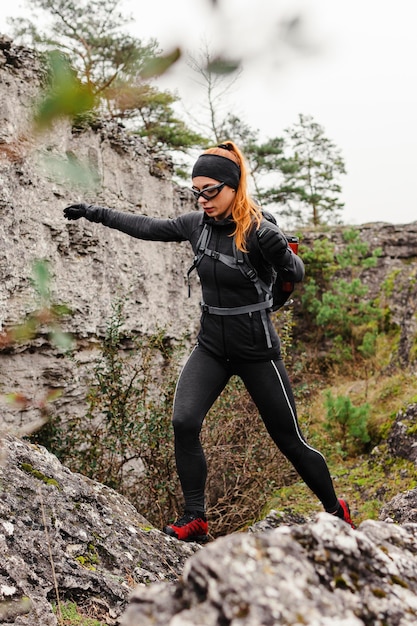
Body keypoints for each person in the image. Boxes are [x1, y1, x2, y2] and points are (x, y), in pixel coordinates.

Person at [63, 140, 356, 541]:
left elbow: (297, 271)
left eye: (211, 190)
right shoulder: (195, 226)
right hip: (212, 347)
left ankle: (336, 512)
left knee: (289, 440)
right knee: (184, 422)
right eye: (196, 191)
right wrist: (95, 213)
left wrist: (283, 257)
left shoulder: (258, 229)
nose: (202, 199)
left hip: (257, 350)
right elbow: (148, 227)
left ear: (233, 187)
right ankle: (195, 518)